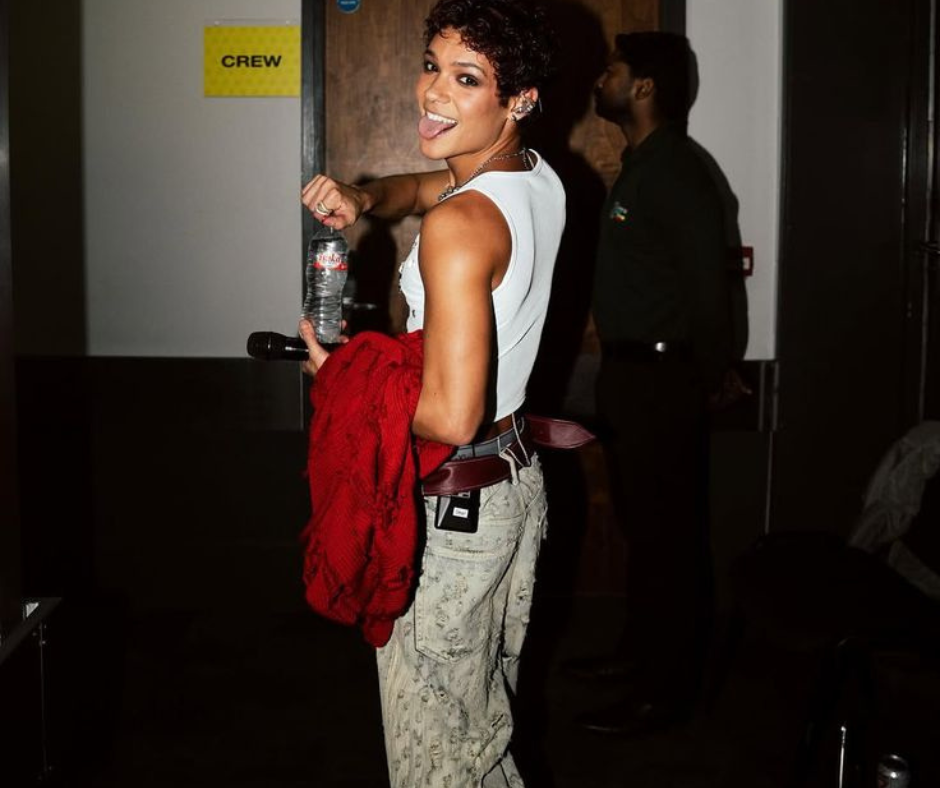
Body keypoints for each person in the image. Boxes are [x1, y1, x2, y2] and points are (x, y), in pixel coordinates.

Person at [298, 1, 564, 785]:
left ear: (520, 98)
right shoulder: (533, 176)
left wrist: (341, 377)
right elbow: (428, 190)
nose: (434, 93)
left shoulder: (462, 225)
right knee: (482, 744)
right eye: (431, 66)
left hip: (453, 517)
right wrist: (365, 197)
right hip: (514, 487)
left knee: (439, 769)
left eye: (466, 79)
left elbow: (450, 413)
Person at [569, 31, 735, 736]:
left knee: (671, 540)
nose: (601, 78)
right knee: (645, 529)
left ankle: (666, 694)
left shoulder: (677, 171)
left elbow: (710, 291)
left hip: (665, 380)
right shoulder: (643, 164)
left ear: (644, 87)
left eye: (613, 69)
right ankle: (640, 657)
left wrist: (710, 375)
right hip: (632, 377)